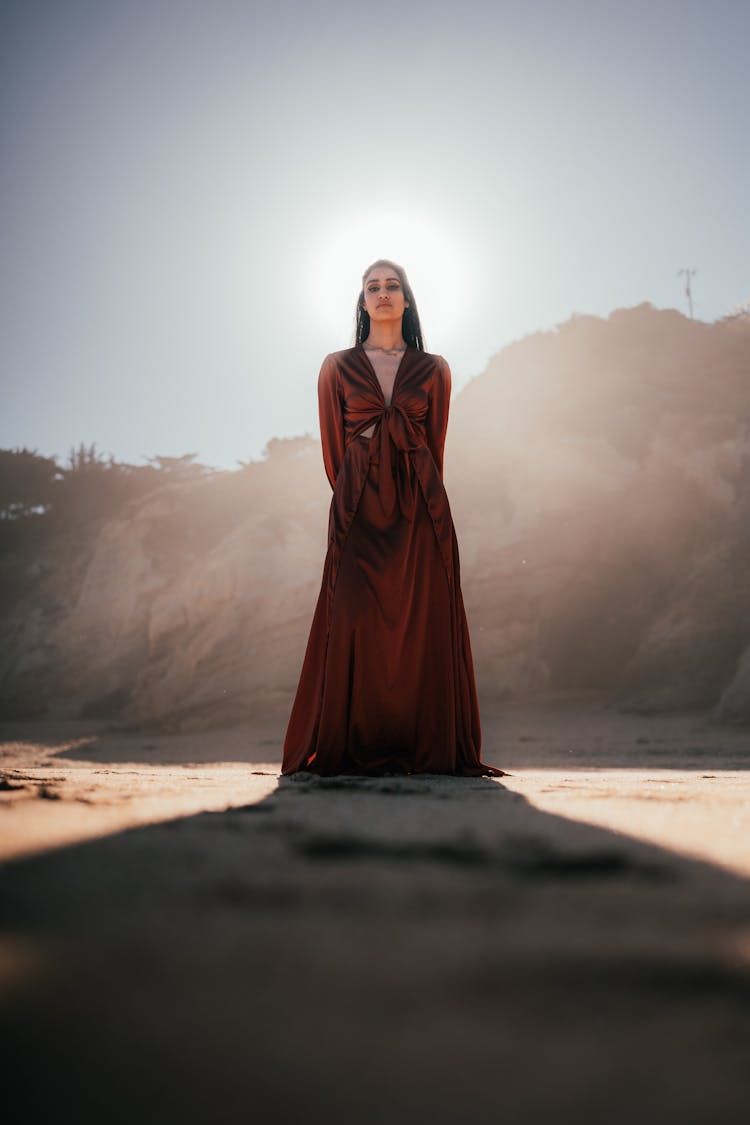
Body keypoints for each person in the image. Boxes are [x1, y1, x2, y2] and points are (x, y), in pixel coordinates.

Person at [281, 258, 503, 777]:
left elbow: (436, 445)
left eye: (393, 286)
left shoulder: (435, 369)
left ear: (407, 300)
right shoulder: (336, 366)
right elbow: (333, 450)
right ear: (362, 302)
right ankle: (350, 740)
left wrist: (421, 498)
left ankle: (421, 745)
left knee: (422, 621)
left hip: (421, 505)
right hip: (358, 501)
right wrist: (357, 487)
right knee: (353, 614)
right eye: (372, 287)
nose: (382, 294)